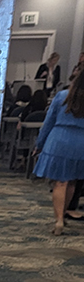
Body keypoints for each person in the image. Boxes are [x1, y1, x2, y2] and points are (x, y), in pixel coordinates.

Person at [32, 72, 84, 235]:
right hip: (81, 142)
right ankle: (65, 214)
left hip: (59, 140)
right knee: (72, 182)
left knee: (60, 183)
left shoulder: (62, 96)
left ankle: (59, 219)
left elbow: (48, 122)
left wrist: (39, 144)